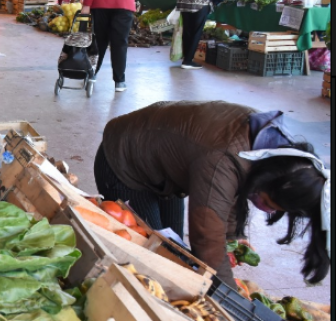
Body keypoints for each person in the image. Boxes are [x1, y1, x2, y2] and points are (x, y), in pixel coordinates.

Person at [95, 101, 331, 288]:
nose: (265, 208)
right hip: (124, 159)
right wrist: (231, 298)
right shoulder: (223, 159)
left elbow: (230, 192)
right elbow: (207, 239)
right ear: (266, 180)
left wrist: (232, 236)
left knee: (175, 250)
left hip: (165, 168)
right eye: (268, 202)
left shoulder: (275, 150)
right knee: (152, 256)